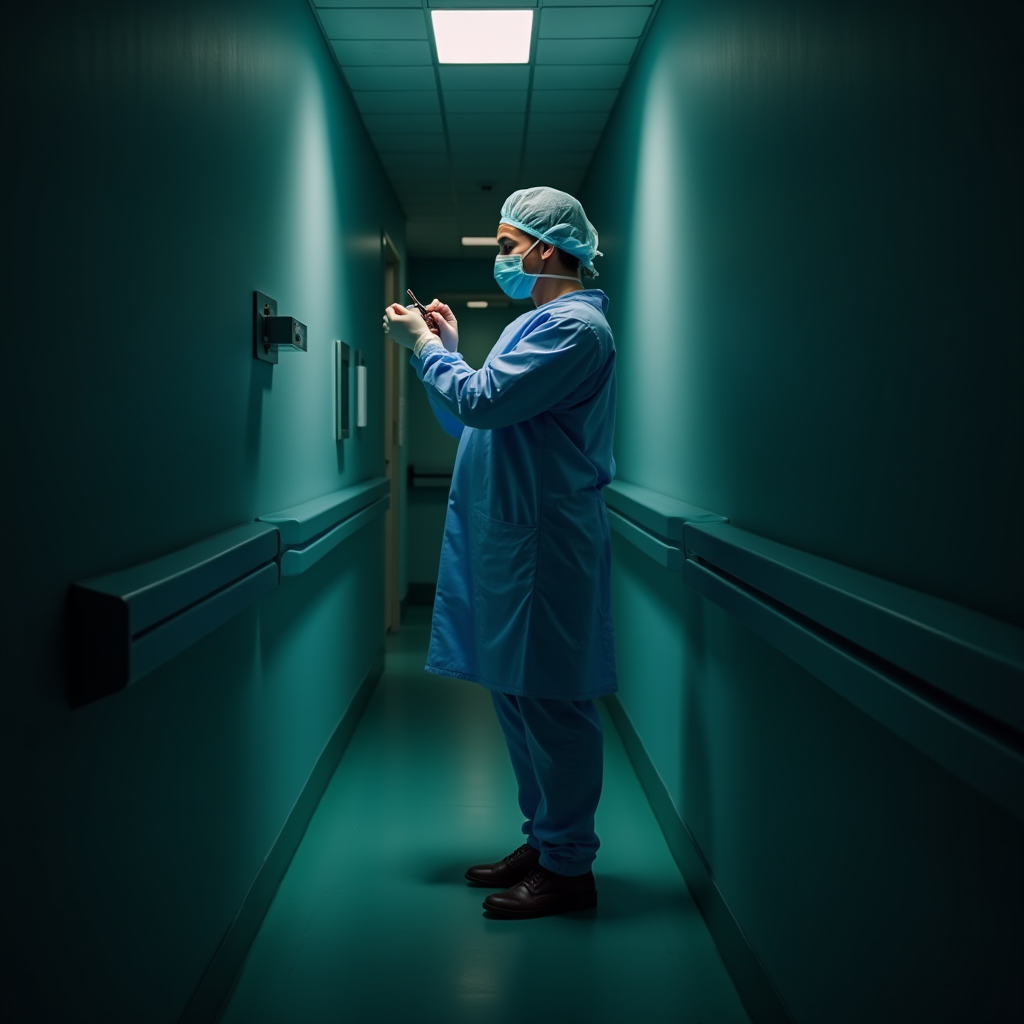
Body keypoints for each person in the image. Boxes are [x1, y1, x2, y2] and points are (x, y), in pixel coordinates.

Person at [382, 186, 617, 919]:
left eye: (509, 245)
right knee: (518, 699)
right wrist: (449, 354)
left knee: (552, 704)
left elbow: (482, 404)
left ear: (548, 248)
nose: (503, 259)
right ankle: (544, 842)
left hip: (546, 545)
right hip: (519, 541)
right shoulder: (534, 325)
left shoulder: (575, 330)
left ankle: (569, 867)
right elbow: (477, 422)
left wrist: (422, 348)